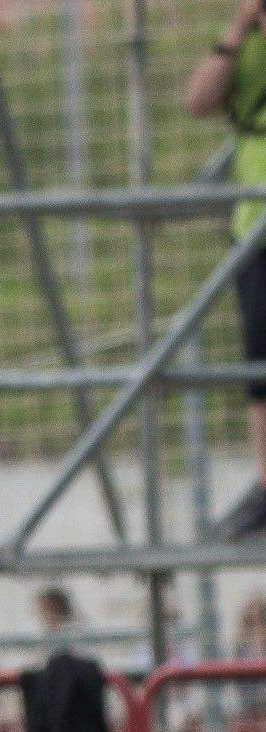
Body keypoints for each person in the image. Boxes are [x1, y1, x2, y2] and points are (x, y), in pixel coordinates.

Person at [187, 0, 266, 538]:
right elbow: (198, 101)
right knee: (260, 368)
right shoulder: (248, 43)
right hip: (255, 229)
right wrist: (239, 27)